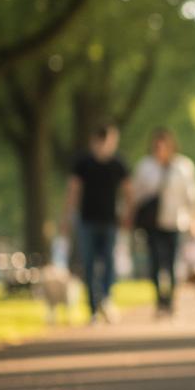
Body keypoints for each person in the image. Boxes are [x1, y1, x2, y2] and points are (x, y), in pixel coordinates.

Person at [129, 128, 195, 316]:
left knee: (172, 262)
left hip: (175, 221)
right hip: (152, 222)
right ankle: (159, 300)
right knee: (154, 261)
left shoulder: (183, 166)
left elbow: (192, 196)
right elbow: (135, 194)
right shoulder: (145, 167)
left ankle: (170, 300)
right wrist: (129, 215)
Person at [63, 122, 131, 324]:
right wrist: (67, 217)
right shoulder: (83, 163)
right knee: (89, 263)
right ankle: (93, 307)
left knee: (109, 262)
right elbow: (73, 191)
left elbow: (128, 191)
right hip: (87, 221)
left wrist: (127, 214)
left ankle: (106, 298)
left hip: (110, 222)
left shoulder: (118, 163)